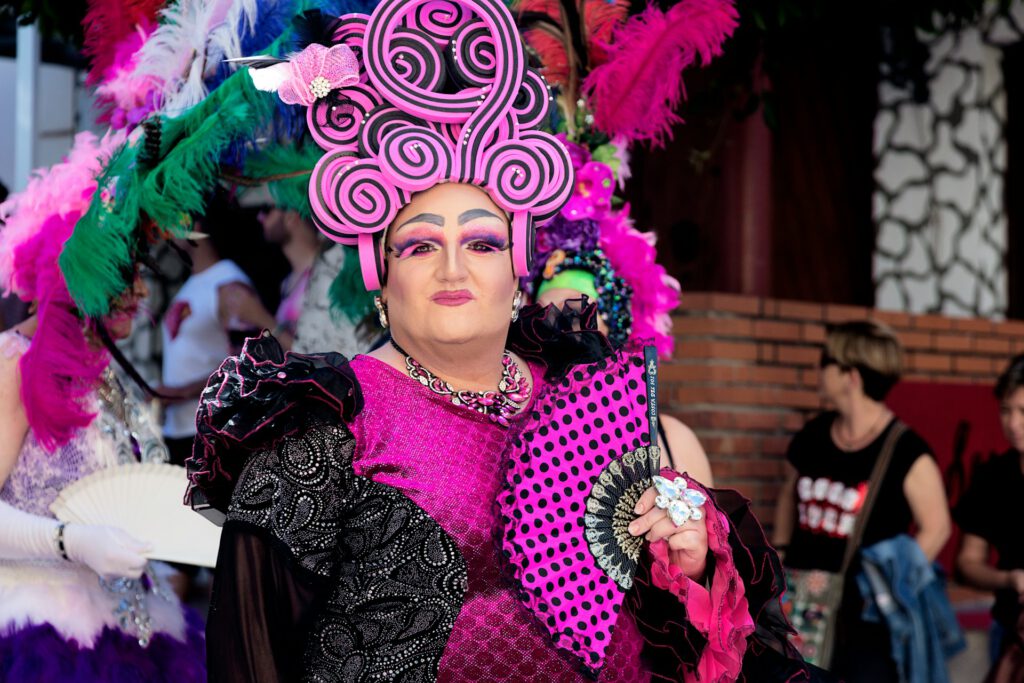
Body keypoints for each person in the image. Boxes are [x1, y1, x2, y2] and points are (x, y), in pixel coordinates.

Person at [187, 2, 820, 681]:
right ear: (380, 274)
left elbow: (676, 637)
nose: (454, 267)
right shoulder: (322, 429)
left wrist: (686, 561)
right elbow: (251, 658)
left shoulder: (592, 402)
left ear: (518, 266)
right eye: (422, 243)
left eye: (482, 242)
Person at [0, 132, 204, 680]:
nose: (140, 290)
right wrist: (72, 541)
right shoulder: (13, 364)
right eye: (123, 271)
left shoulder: (104, 365)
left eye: (142, 270)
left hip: (139, 629)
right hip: (43, 634)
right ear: (74, 270)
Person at [773, 320, 952, 681]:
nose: (819, 370)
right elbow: (788, 494)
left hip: (866, 619)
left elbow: (937, 528)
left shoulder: (905, 450)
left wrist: (893, 589)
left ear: (850, 376)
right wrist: (779, 553)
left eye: (827, 361)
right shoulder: (815, 433)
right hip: (803, 602)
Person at [158, 192, 274, 466]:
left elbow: (247, 366)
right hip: (179, 430)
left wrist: (179, 392)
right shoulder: (193, 283)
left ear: (196, 225)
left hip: (212, 432)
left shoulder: (228, 284)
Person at [955, 354, 1024, 678]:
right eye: (1006, 411)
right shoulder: (993, 476)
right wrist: (1009, 578)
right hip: (1010, 631)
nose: (1012, 423)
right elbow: (968, 563)